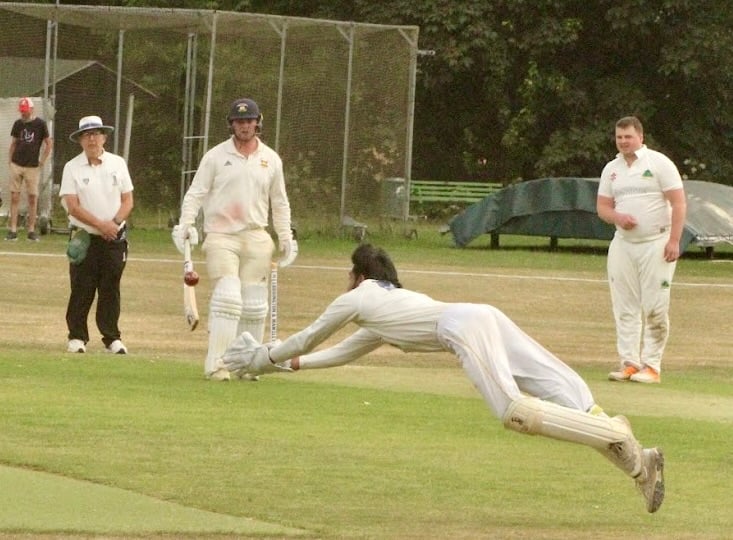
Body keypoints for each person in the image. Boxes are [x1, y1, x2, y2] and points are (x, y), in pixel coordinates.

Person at [221, 243, 666, 514]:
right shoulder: (389, 305)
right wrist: (289, 366)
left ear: (358, 275)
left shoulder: (357, 296)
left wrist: (263, 357)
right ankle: (639, 464)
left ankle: (616, 431)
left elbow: (309, 336)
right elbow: (340, 352)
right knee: (573, 398)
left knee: (515, 412)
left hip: (460, 328)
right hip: (481, 313)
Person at [173, 97, 298, 381]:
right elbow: (196, 193)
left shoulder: (270, 159)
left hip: (256, 236)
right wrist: (186, 223)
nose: (244, 126)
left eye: (249, 121)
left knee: (254, 304)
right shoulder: (216, 156)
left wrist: (285, 235)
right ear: (232, 124)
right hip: (221, 235)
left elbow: (279, 202)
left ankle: (247, 365)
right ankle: (218, 364)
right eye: (239, 121)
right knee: (228, 296)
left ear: (257, 123)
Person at [597, 116, 686, 384]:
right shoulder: (611, 169)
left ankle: (652, 366)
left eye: (628, 137)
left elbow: (679, 203)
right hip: (623, 244)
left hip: (656, 243)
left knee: (655, 306)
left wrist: (674, 240)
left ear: (640, 137)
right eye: (619, 137)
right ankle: (629, 363)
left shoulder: (659, 163)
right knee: (624, 305)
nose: (623, 141)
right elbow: (603, 207)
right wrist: (618, 218)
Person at [59, 116, 134, 354]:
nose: (92, 138)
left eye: (96, 133)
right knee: (82, 287)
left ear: (104, 136)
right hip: (85, 237)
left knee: (110, 288)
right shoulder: (72, 167)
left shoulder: (117, 163)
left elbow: (128, 200)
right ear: (80, 139)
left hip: (114, 237)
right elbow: (72, 205)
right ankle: (77, 337)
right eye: (86, 135)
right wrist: (101, 225)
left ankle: (112, 338)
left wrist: (114, 223)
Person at [6, 97, 53, 241]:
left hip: (32, 166)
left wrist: (42, 161)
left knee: (33, 198)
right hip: (17, 164)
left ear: (32, 110)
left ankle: (31, 230)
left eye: (25, 111)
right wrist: (10, 160)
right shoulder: (18, 124)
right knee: (14, 197)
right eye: (22, 111)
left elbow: (48, 143)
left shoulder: (40, 124)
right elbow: (14, 143)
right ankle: (13, 230)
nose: (23, 114)